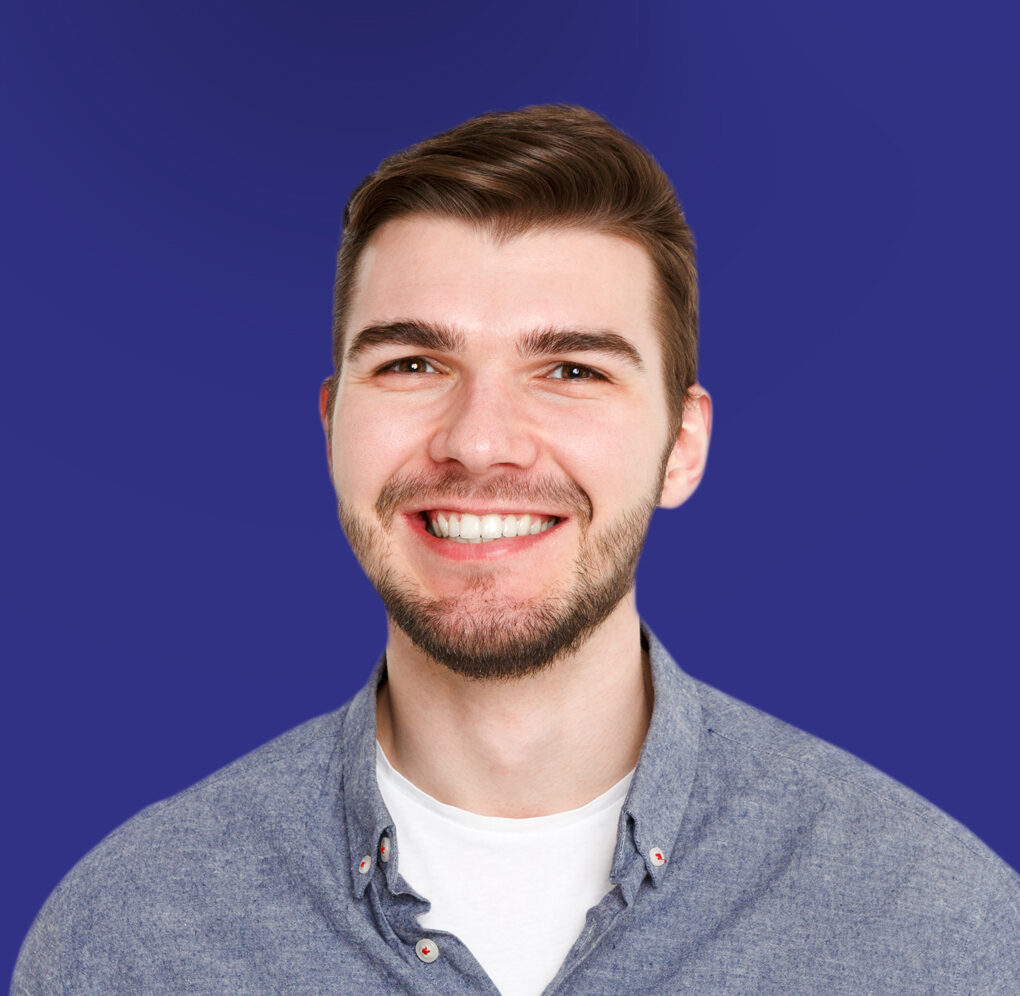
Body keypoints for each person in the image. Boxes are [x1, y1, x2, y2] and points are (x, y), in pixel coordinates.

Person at [12, 104, 1019, 995]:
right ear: (331, 427)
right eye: (413, 363)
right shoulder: (127, 940)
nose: (480, 442)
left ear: (682, 446)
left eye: (571, 370)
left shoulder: (940, 932)